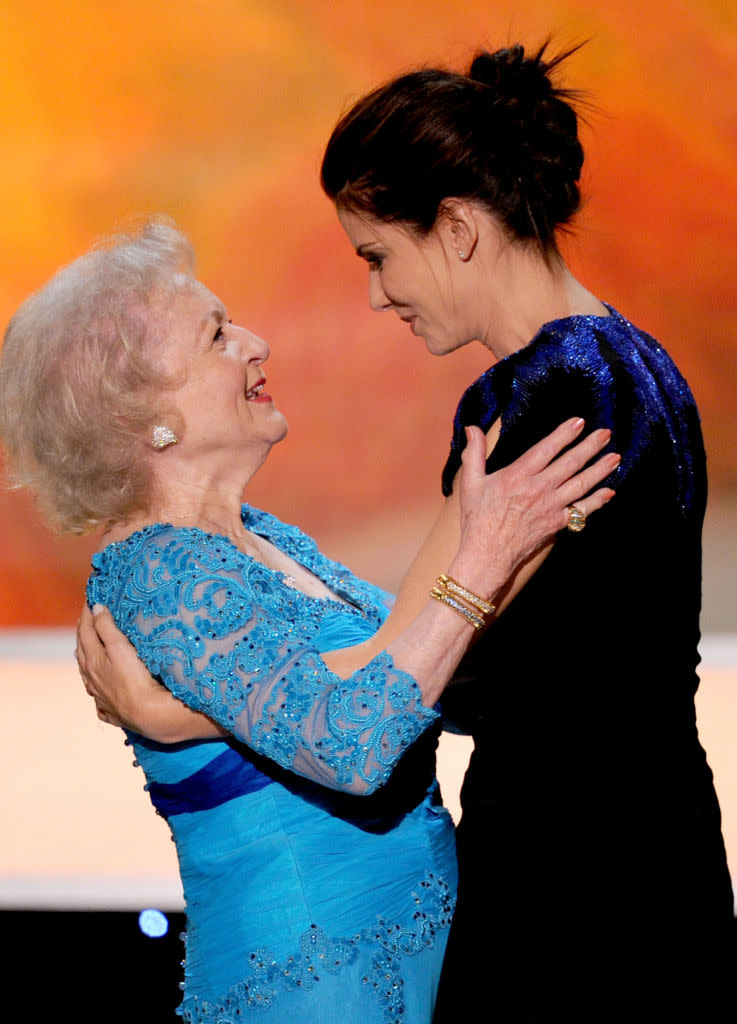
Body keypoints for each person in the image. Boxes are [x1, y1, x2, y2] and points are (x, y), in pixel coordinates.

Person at [0, 218, 617, 1024]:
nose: (256, 343)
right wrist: (483, 557)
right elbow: (353, 746)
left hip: (426, 979)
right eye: (217, 335)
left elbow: (436, 685)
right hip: (311, 996)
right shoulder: (159, 573)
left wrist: (181, 715)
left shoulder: (267, 540)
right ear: (142, 413)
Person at [318, 41, 736, 1024]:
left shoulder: (538, 392)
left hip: (562, 885)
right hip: (667, 856)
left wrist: (189, 684)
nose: (377, 294)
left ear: (457, 228)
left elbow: (411, 668)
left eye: (378, 255)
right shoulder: (643, 364)